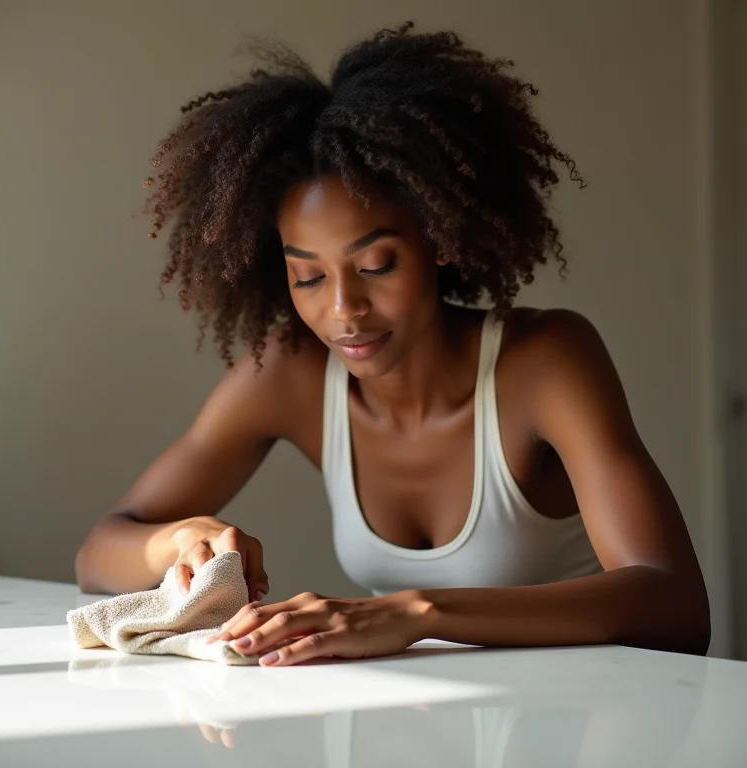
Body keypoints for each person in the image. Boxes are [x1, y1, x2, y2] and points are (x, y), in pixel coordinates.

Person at [76, 23, 710, 666]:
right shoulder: (288, 374)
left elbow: (676, 607)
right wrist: (183, 539)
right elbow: (98, 554)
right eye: (309, 277)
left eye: (377, 265)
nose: (344, 308)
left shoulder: (544, 361)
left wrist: (416, 612)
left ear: (438, 240)